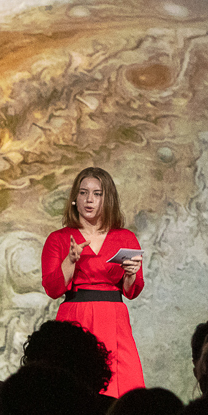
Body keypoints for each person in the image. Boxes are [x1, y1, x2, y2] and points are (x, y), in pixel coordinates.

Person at [39, 167, 146, 397]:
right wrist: (70, 260)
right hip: (75, 318)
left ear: (108, 199)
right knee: (74, 388)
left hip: (114, 319)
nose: (89, 199)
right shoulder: (58, 239)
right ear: (74, 199)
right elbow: (52, 289)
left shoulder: (125, 237)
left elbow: (132, 291)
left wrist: (130, 274)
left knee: (124, 388)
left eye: (97, 194)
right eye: (83, 193)